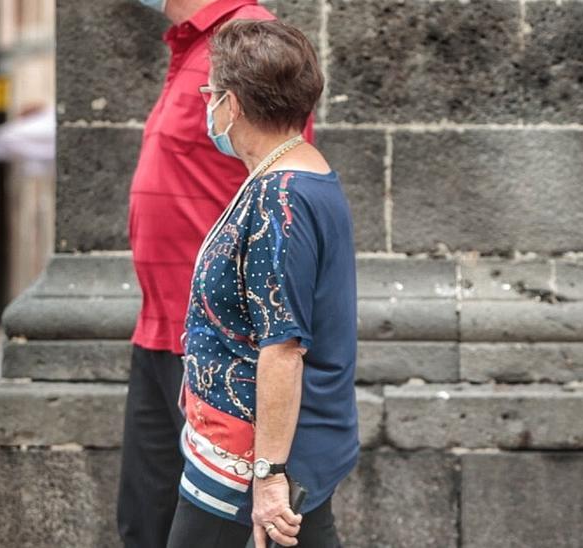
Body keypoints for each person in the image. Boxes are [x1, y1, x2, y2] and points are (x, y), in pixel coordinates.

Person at [117, 1, 313, 547]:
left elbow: (282, 183)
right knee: (143, 526)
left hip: (215, 345)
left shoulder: (249, 39)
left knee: (205, 533)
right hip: (157, 332)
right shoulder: (188, 45)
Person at [161, 19, 357, 548]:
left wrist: (268, 478)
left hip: (247, 455)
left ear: (234, 104)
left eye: (211, 93)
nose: (208, 104)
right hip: (259, 444)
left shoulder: (281, 197)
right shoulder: (294, 177)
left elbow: (283, 348)